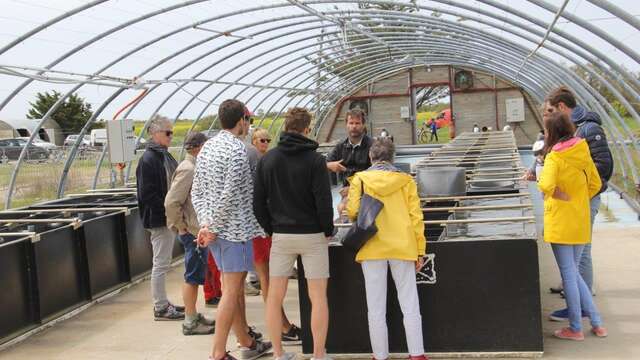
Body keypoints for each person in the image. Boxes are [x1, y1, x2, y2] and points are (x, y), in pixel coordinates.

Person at [192, 99, 272, 360]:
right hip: (234, 233)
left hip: (215, 231)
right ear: (241, 122)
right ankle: (218, 352)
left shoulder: (206, 149)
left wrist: (206, 224)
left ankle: (246, 341)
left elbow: (198, 192)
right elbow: (230, 193)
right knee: (231, 292)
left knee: (232, 289)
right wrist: (212, 227)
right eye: (247, 121)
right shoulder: (237, 150)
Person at [253, 107, 334, 360]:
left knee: (274, 297)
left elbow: (257, 202)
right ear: (307, 129)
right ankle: (318, 354)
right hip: (312, 236)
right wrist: (328, 229)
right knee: (318, 297)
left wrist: (270, 228)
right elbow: (323, 201)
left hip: (281, 236)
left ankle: (278, 354)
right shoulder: (316, 160)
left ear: (286, 127)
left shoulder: (268, 159)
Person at [346, 137, 429, 360]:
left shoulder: (360, 180)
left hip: (372, 248)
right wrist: (419, 250)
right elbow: (416, 218)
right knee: (410, 303)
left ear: (371, 157)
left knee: (375, 308)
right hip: (403, 247)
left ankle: (380, 355)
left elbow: (353, 212)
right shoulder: (406, 181)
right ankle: (417, 355)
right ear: (393, 158)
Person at [545, 86, 614, 321]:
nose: (548, 115)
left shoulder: (588, 131)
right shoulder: (576, 136)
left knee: (579, 258)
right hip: (580, 201)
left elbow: (603, 166)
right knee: (575, 261)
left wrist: (573, 191)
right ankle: (583, 307)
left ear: (562, 108)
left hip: (583, 202)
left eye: (551, 110)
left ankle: (583, 310)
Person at [537, 111, 607, 340]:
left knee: (569, 275)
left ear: (552, 133)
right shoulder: (583, 151)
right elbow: (596, 183)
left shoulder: (554, 158)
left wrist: (560, 195)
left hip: (561, 221)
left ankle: (576, 328)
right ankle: (596, 322)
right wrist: (577, 198)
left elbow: (545, 185)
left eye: (546, 131)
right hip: (580, 219)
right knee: (574, 273)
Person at [248, 128, 302, 344]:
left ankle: (282, 324)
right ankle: (282, 326)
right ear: (253, 141)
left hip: (265, 227)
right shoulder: (257, 164)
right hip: (259, 228)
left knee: (270, 278)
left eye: (268, 140)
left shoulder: (267, 162)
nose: (265, 143)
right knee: (267, 279)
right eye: (262, 140)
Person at [164, 132, 215, 335]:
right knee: (192, 276)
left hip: (195, 231)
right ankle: (190, 321)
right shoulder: (189, 169)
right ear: (197, 148)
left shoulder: (193, 168)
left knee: (195, 274)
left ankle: (193, 315)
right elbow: (171, 202)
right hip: (192, 233)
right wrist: (182, 227)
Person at [135, 116, 185, 321]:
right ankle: (160, 306)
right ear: (155, 134)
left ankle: (163, 302)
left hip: (165, 217)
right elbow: (147, 193)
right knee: (161, 263)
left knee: (163, 262)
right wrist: (167, 210)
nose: (171, 136)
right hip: (159, 219)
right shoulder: (149, 160)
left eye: (171, 132)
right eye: (168, 133)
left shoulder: (162, 156)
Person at [325, 109, 372, 185]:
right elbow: (324, 162)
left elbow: (376, 173)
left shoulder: (372, 146)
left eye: (357, 123)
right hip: (346, 192)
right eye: (351, 123)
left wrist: (354, 189)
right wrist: (329, 165)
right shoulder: (341, 146)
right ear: (346, 125)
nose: (354, 126)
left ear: (363, 125)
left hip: (367, 191)